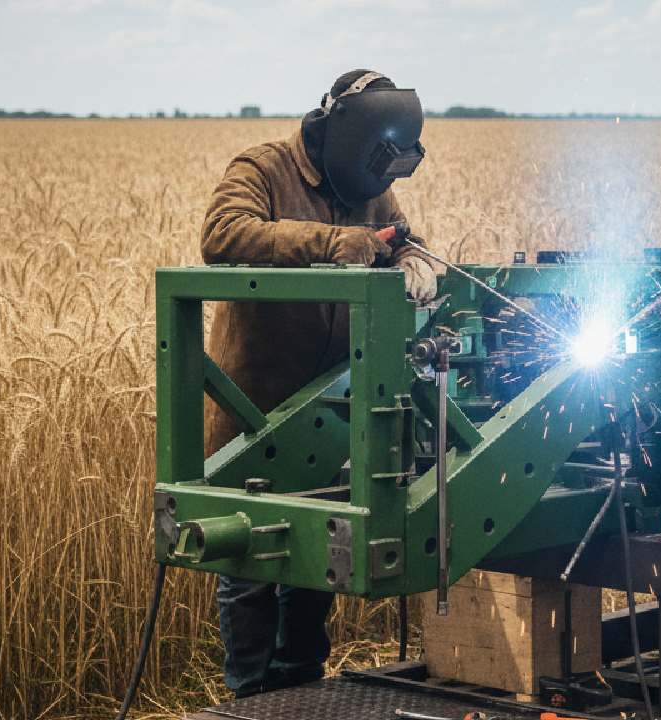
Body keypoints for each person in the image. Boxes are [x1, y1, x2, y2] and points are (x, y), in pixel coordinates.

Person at [200, 69, 437, 697]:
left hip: (331, 412)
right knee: (249, 562)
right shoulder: (263, 168)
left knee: (314, 558)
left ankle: (299, 691)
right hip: (253, 408)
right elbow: (222, 235)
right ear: (340, 138)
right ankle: (249, 697)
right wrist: (334, 243)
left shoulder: (372, 188)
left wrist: (412, 259)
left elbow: (398, 238)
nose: (380, 188)